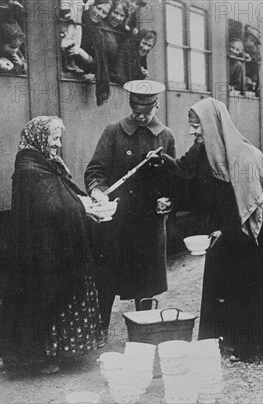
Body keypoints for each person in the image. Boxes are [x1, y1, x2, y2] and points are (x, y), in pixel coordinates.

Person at [159, 97, 263, 360]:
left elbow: (253, 208)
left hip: (252, 237)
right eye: (191, 125)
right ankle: (223, 338)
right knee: (222, 283)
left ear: (211, 125)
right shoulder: (204, 152)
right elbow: (187, 181)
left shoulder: (244, 157)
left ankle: (252, 345)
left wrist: (226, 229)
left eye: (197, 126)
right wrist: (160, 163)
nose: (192, 131)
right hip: (223, 230)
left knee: (248, 286)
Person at [0, 116, 105, 375]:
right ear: (39, 138)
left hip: (48, 249)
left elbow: (63, 194)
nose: (57, 145)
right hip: (39, 255)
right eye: (53, 139)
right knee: (39, 301)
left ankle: (54, 352)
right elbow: (51, 207)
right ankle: (31, 360)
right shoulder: (30, 169)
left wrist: (85, 202)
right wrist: (81, 207)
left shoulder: (44, 164)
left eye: (58, 139)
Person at [85, 80, 176, 340]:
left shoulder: (166, 136)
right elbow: (95, 171)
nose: (140, 115)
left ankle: (143, 331)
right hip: (116, 221)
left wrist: (167, 201)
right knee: (107, 278)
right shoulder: (113, 131)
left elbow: (174, 180)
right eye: (136, 108)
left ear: (157, 105)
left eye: (147, 110)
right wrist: (97, 191)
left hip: (148, 224)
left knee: (146, 280)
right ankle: (100, 330)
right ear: (130, 104)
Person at [65, 0, 112, 105]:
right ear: (91, 5)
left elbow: (97, 64)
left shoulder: (98, 33)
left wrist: (80, 52)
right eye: (98, 8)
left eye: (104, 13)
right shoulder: (77, 18)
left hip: (82, 75)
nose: (99, 14)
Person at [243, 25, 260, 94]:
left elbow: (258, 57)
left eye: (254, 41)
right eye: (252, 40)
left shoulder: (253, 48)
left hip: (249, 76)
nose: (252, 43)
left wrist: (251, 58)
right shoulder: (240, 44)